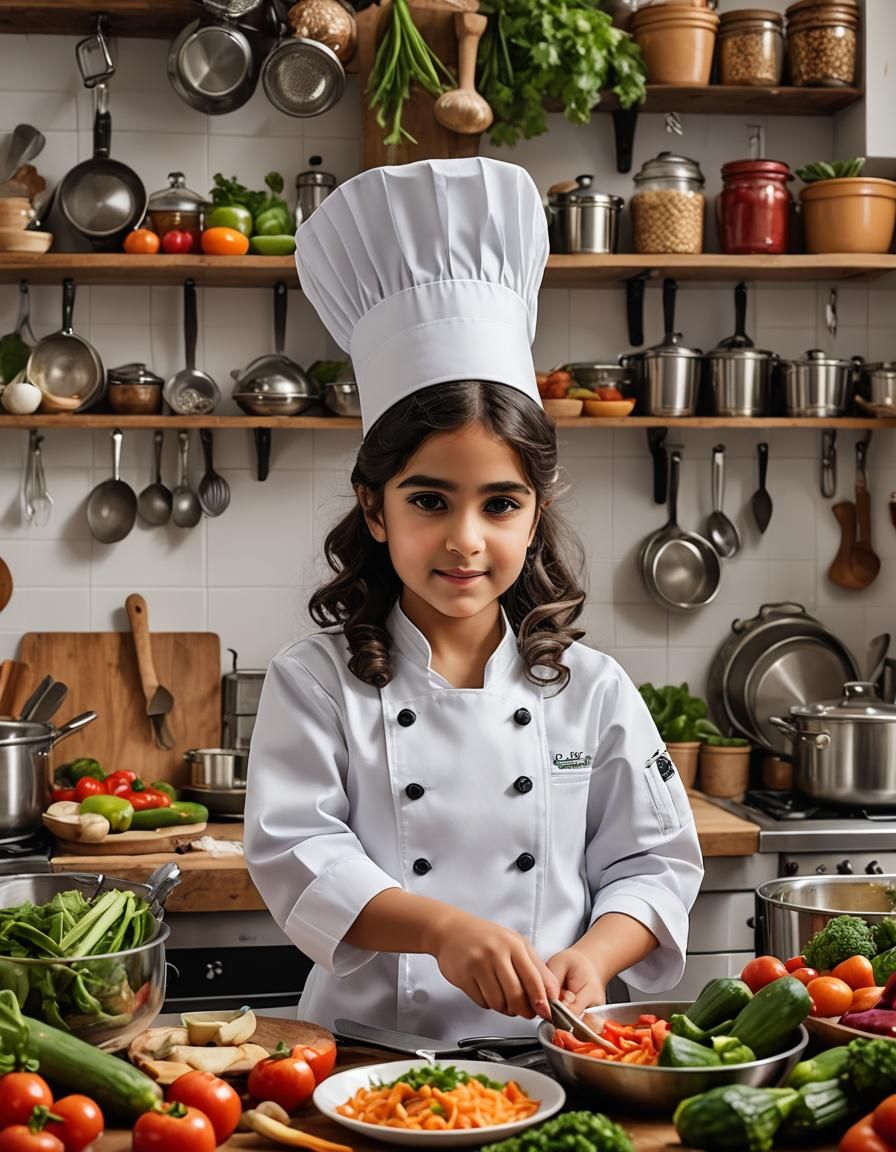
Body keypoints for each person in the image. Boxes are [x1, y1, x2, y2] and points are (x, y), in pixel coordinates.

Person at [244, 157, 703, 1041]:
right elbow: (297, 856)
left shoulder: (592, 688)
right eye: (429, 501)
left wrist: (598, 955)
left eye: (499, 503)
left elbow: (654, 863)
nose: (465, 538)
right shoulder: (315, 681)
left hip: (559, 1050)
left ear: (535, 515)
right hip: (362, 1057)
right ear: (375, 510)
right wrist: (441, 930)